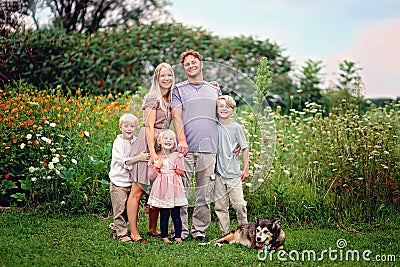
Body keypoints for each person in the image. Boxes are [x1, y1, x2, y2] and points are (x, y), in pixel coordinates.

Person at [171, 49, 222, 241]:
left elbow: (223, 115)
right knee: (181, 192)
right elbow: (176, 116)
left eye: (194, 62)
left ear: (201, 64)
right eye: (187, 64)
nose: (191, 65)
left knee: (203, 193)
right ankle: (181, 231)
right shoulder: (178, 89)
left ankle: (199, 231)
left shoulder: (215, 89)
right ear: (184, 68)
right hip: (185, 149)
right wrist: (182, 140)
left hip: (209, 149)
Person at [126, 62, 175, 242]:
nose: (166, 78)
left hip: (164, 144)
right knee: (138, 190)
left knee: (158, 189)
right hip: (147, 145)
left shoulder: (171, 98)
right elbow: (149, 126)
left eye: (169, 75)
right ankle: (134, 232)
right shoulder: (152, 98)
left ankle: (153, 228)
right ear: (156, 77)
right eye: (163, 75)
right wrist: (154, 155)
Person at [109, 113, 150, 242]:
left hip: (130, 181)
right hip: (118, 181)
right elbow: (124, 162)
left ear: (136, 127)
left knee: (128, 209)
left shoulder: (135, 141)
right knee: (120, 208)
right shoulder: (118, 143)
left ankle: (116, 227)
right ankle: (122, 234)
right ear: (120, 127)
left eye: (132, 126)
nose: (129, 129)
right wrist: (139, 158)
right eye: (126, 126)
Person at [214, 95, 249, 235]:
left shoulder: (237, 128)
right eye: (221, 106)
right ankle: (226, 233)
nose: (224, 109)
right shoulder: (213, 126)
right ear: (216, 110)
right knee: (220, 206)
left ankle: (245, 231)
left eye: (228, 107)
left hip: (234, 174)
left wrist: (246, 168)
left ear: (233, 110)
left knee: (239, 204)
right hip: (217, 174)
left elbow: (245, 148)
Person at [147, 129, 188, 243]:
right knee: (164, 214)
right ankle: (164, 236)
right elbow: (151, 176)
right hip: (163, 190)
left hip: (174, 188)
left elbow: (180, 171)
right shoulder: (156, 157)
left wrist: (180, 159)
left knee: (176, 214)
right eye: (166, 138)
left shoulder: (175, 155)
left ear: (174, 143)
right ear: (159, 141)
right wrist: (156, 167)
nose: (168, 141)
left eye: (171, 139)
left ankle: (178, 236)